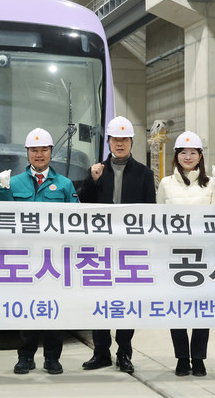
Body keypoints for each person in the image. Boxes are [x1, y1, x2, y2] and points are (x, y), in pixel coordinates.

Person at [0, 127, 79, 375]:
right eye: (34, 150)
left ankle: (52, 358)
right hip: (25, 258)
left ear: (51, 152)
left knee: (54, 309)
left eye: (44, 150)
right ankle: (25, 357)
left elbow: (76, 221)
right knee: (27, 309)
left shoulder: (64, 184)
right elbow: (4, 219)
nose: (39, 155)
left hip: (54, 260)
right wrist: (3, 191)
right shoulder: (14, 183)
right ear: (27, 153)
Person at [78, 116, 156, 374]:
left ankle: (124, 352)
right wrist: (92, 180)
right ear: (109, 142)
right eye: (115, 139)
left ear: (131, 141)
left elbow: (150, 212)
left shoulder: (144, 174)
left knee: (126, 301)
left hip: (130, 248)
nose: (119, 144)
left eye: (124, 139)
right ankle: (101, 352)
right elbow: (83, 205)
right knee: (99, 300)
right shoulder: (97, 170)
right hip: (100, 248)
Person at [156, 131, 215, 377]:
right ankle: (182, 358)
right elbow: (158, 218)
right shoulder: (166, 183)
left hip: (202, 257)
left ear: (200, 156)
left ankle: (199, 358)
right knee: (177, 309)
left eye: (192, 152)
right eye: (183, 152)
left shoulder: (211, 183)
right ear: (176, 156)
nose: (187, 157)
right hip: (174, 256)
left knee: (201, 309)